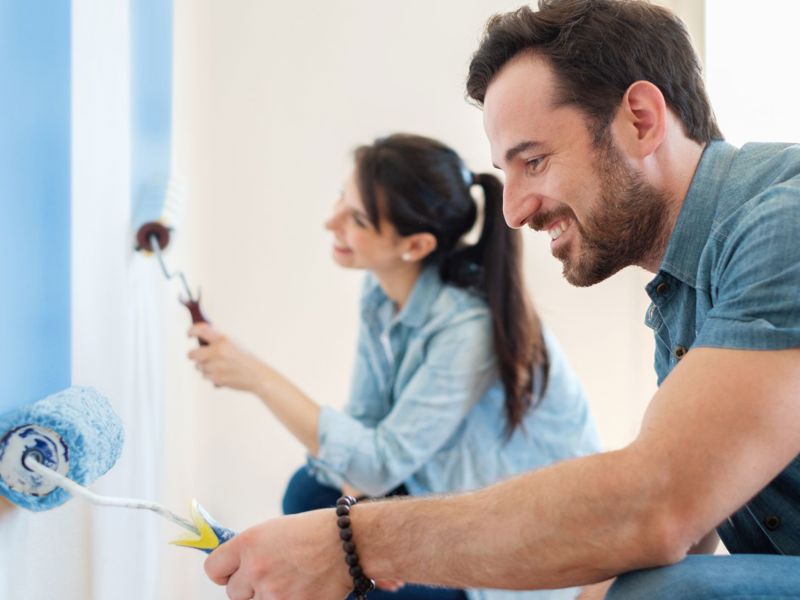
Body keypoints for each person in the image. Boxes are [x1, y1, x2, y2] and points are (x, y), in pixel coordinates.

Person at [202, 1, 800, 599]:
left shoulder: (784, 225)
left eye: (534, 161)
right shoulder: (684, 288)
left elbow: (660, 502)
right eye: (505, 173)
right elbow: (698, 499)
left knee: (657, 595)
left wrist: (354, 541)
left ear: (641, 120)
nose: (513, 212)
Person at [189, 133, 600, 600]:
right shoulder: (381, 294)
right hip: (439, 488)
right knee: (309, 495)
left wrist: (257, 378)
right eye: (342, 199)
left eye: (357, 218)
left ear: (415, 246)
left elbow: (378, 465)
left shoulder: (469, 329)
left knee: (332, 539)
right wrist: (359, 507)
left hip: (507, 550)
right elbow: (366, 426)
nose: (331, 222)